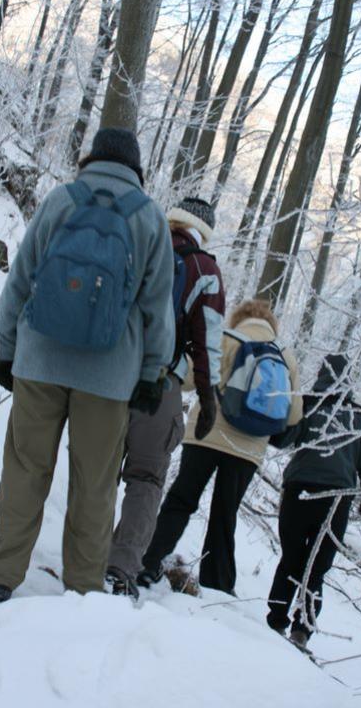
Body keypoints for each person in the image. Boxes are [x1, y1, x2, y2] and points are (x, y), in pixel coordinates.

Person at [0, 128, 174, 602]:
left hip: (40, 360)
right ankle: (83, 591)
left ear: (91, 158)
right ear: (137, 169)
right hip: (108, 378)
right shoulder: (149, 218)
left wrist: (7, 348)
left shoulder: (61, 200)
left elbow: (20, 279)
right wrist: (152, 373)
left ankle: (2, 575)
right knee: (95, 485)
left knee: (26, 469)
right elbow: (158, 309)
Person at [141, 299, 303, 596]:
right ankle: (217, 586)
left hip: (206, 433)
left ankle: (148, 560)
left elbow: (190, 379)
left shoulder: (225, 339)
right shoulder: (285, 355)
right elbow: (293, 416)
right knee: (224, 514)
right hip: (248, 450)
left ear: (238, 318)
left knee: (182, 499)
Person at [106, 197, 226, 598]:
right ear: (205, 230)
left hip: (111, 373)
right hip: (160, 386)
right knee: (146, 478)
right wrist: (208, 396)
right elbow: (207, 342)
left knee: (98, 469)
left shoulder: (140, 241)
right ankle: (120, 570)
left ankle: (84, 555)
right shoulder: (205, 269)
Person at [266, 354, 361, 649]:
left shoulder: (307, 405)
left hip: (297, 492)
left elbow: (283, 437)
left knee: (290, 557)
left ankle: (275, 619)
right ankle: (302, 629)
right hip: (334, 500)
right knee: (317, 566)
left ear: (321, 375)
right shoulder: (359, 418)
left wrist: (269, 424)